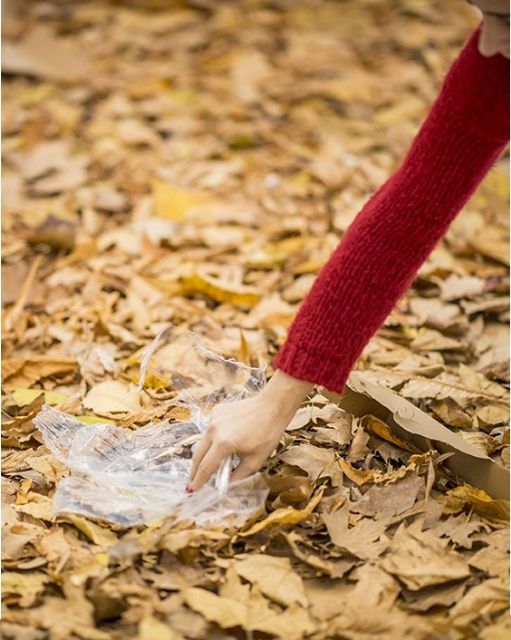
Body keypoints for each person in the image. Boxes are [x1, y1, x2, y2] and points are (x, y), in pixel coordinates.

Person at [188, 0, 510, 492]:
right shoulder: (496, 70)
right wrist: (277, 399)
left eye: (506, 18)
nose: (487, 42)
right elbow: (411, 211)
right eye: (482, 14)